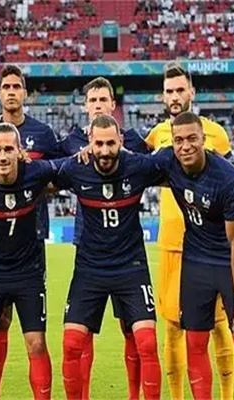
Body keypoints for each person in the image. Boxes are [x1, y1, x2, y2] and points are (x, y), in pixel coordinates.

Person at [144, 63, 234, 400]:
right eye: (169, 91)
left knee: (229, 328)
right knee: (178, 330)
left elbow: (227, 203)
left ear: (192, 92)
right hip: (178, 246)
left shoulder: (218, 141)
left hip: (219, 247)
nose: (175, 96)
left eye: (180, 90)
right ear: (162, 96)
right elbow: (133, 166)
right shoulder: (156, 138)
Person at [58, 115, 162, 400]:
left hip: (131, 266)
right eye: (99, 144)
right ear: (90, 142)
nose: (105, 151)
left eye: (111, 144)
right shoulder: (75, 168)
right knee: (71, 344)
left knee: (147, 342)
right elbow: (42, 176)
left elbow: (173, 166)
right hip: (90, 268)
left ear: (121, 142)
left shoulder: (138, 166)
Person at [0, 65, 60, 398]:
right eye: (5, 87)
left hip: (32, 238)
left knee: (33, 334)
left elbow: (57, 177)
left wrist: (31, 176)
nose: (11, 92)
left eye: (16, 86)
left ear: (25, 93)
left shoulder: (44, 134)